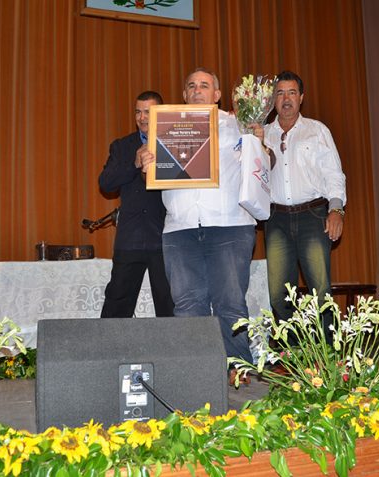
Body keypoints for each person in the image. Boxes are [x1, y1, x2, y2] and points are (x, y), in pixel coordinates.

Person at [138, 68, 256, 365]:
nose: (197, 90)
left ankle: (239, 373)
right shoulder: (162, 127)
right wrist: (146, 162)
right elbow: (153, 175)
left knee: (231, 305)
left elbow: (261, 166)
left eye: (204, 85)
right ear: (184, 94)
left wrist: (259, 142)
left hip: (229, 226)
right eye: (191, 85)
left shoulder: (238, 125)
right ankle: (195, 373)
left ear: (217, 95)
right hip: (180, 229)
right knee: (187, 307)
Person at [262, 70, 347, 334]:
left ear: (301, 97)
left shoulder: (317, 130)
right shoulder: (261, 133)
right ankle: (295, 360)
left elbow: (334, 173)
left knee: (320, 292)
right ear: (273, 100)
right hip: (275, 220)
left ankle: (330, 357)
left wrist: (336, 209)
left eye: (291, 92)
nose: (286, 99)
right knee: (278, 295)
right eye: (280, 93)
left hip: (313, 215)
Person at [99, 90, 174, 318]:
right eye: (138, 112)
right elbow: (106, 183)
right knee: (116, 306)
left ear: (160, 114)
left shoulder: (175, 144)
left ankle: (172, 354)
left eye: (148, 112)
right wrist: (133, 163)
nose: (142, 118)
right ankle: (109, 353)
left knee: (169, 307)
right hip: (129, 239)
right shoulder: (122, 146)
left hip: (165, 238)